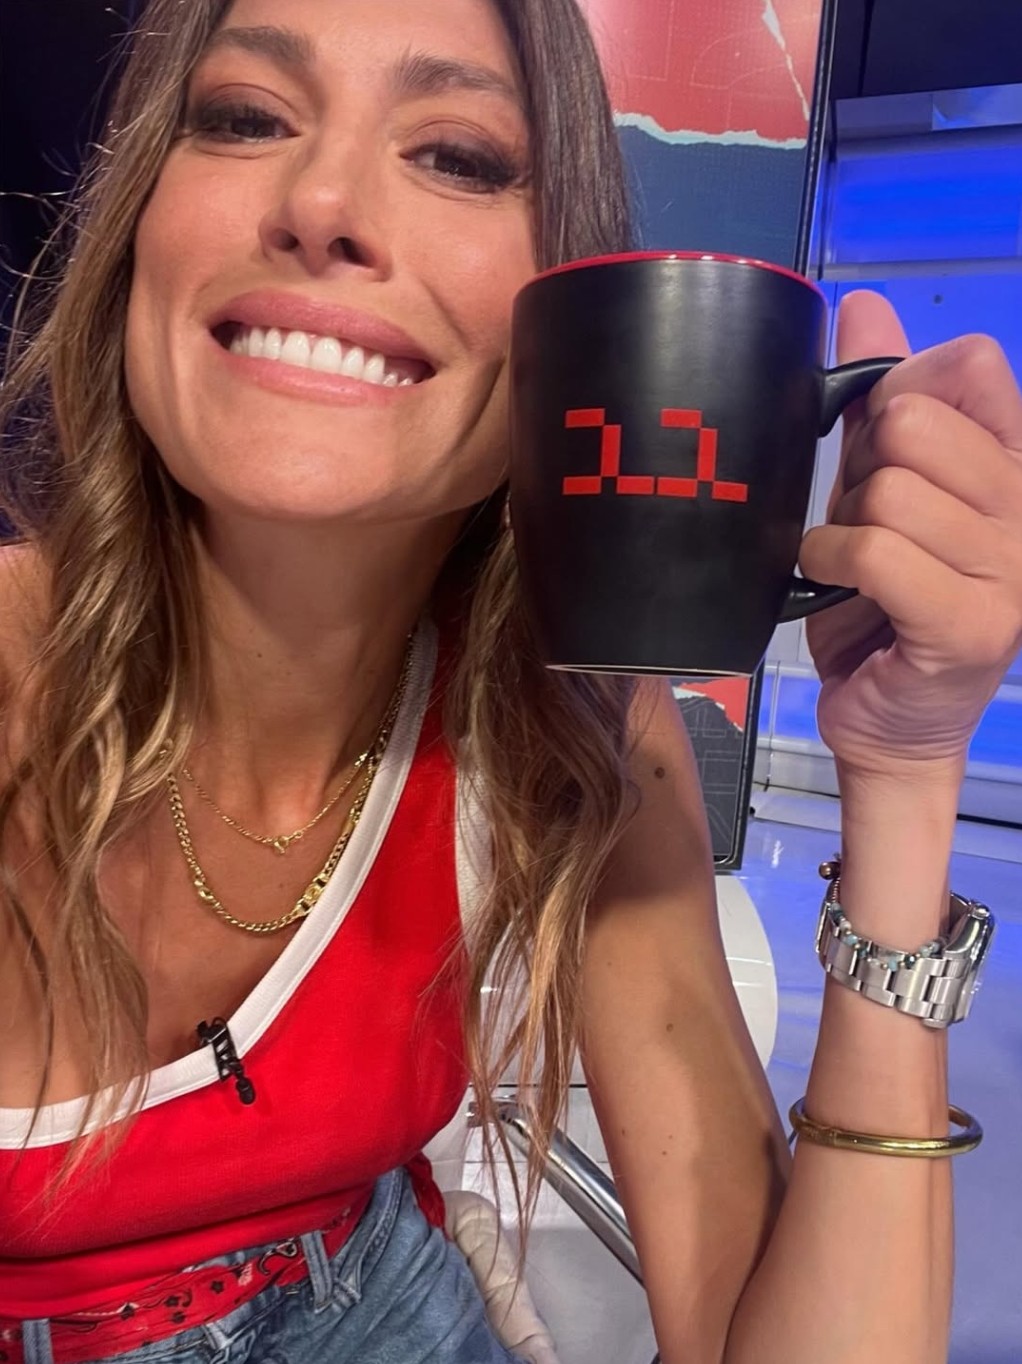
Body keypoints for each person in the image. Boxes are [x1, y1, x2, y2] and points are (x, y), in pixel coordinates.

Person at [0, 1, 1020, 1361]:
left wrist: (905, 775)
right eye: (245, 117)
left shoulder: (572, 723)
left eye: (459, 157)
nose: (320, 204)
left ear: (565, 327)